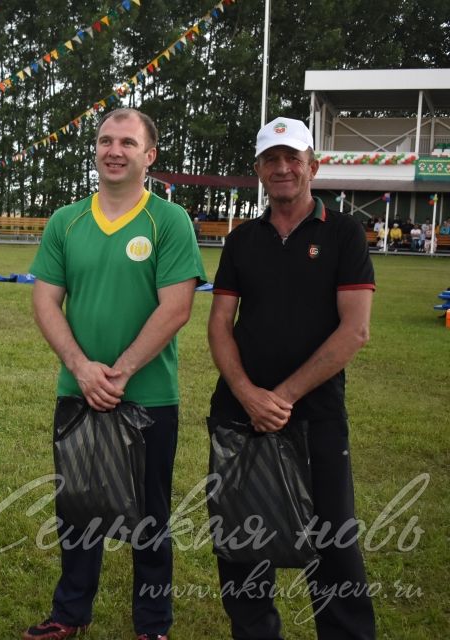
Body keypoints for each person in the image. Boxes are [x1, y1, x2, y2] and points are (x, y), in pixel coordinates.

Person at [24, 108, 206, 640]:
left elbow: (176, 307)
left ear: (149, 155)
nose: (114, 150)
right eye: (105, 140)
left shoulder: (168, 221)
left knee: (150, 517)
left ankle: (152, 625)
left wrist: (120, 372)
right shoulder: (66, 220)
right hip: (76, 391)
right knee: (77, 511)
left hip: (147, 395)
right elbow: (46, 301)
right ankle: (69, 615)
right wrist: (82, 368)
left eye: (128, 142)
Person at [207, 117, 376, 639]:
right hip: (240, 415)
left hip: (315, 415)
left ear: (313, 165)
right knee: (241, 539)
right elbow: (219, 325)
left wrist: (280, 397)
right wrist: (246, 394)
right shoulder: (241, 240)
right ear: (258, 169)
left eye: (292, 158)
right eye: (271, 160)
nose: (282, 168)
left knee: (333, 542)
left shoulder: (344, 232)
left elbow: (355, 331)